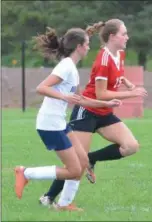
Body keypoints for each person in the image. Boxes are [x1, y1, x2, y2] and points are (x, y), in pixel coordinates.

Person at [38, 18, 148, 206]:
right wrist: (132, 93)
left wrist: (125, 81)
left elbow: (117, 74)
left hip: (104, 112)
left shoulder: (119, 54)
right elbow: (101, 93)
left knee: (131, 146)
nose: (127, 37)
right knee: (75, 164)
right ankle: (48, 198)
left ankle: (92, 159)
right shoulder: (103, 58)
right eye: (124, 34)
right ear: (112, 37)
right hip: (87, 110)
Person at [14, 26, 121, 211]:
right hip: (50, 124)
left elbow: (80, 99)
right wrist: (64, 97)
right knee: (73, 170)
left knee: (84, 162)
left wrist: (106, 104)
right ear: (79, 46)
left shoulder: (72, 68)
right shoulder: (65, 67)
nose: (89, 48)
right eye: (87, 45)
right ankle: (26, 173)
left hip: (59, 122)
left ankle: (64, 204)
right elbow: (41, 87)